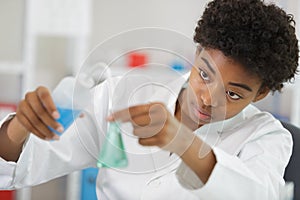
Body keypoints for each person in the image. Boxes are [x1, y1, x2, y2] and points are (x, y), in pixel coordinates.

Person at [0, 0, 299, 199]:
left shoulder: (267, 137)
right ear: (196, 54)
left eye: (233, 94)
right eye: (205, 75)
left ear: (260, 94)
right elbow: (28, 166)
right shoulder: (125, 94)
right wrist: (19, 128)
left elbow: (258, 193)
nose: (208, 98)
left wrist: (183, 142)